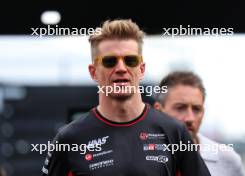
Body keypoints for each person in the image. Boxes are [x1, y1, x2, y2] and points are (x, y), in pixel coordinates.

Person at [41, 19, 211, 176]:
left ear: (142, 69)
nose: (121, 68)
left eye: (130, 60)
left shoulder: (174, 132)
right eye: (110, 61)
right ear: (93, 72)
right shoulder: (69, 139)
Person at [154, 71, 244, 176]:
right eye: (180, 108)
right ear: (158, 110)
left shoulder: (228, 160)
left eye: (196, 109)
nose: (190, 118)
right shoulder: (137, 155)